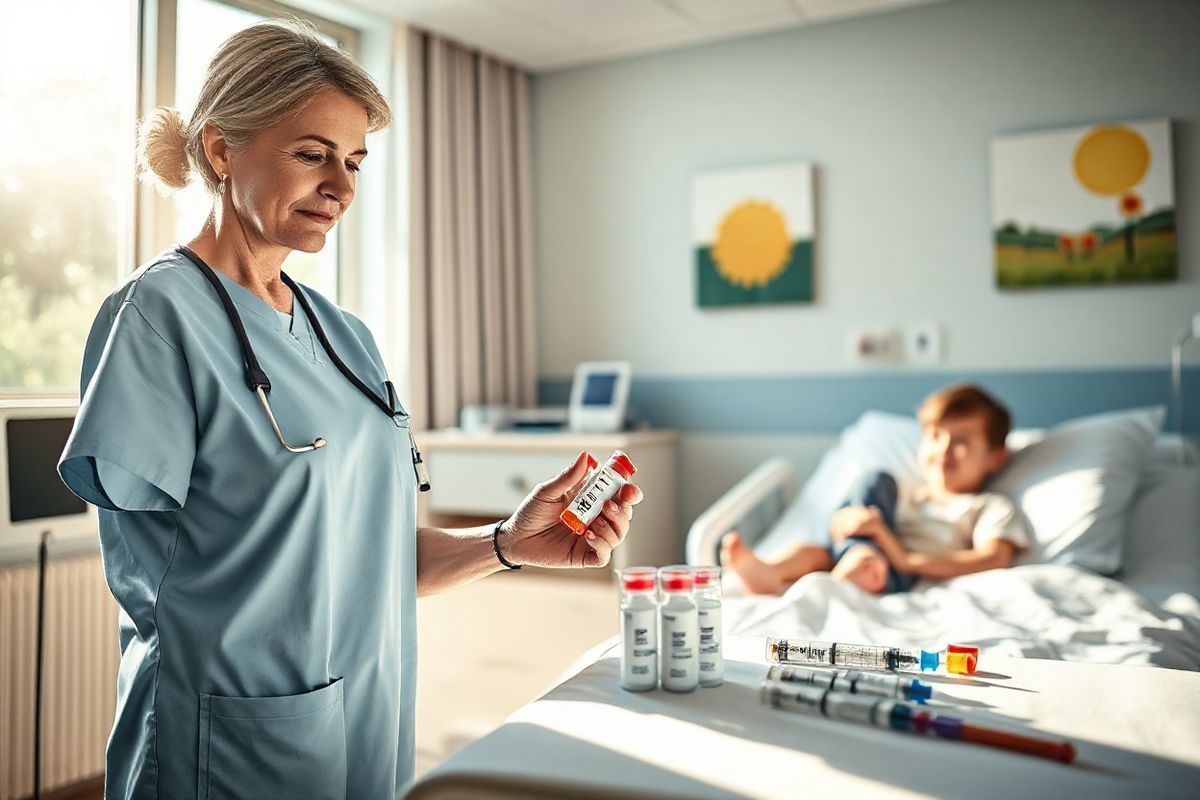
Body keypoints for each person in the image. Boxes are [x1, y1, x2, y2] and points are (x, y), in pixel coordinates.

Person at [56, 21, 641, 799]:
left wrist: (506, 542)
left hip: (369, 723)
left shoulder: (345, 338)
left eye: (354, 161)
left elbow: (364, 564)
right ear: (222, 148)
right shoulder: (156, 317)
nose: (342, 186)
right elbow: (197, 576)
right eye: (312, 154)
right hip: (226, 745)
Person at [721, 384, 1029, 596]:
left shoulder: (988, 506)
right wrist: (844, 523)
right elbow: (846, 525)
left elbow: (992, 559)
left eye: (961, 441)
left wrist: (903, 557)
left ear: (996, 457)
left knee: (871, 505)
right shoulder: (903, 492)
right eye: (935, 436)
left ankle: (859, 565)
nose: (944, 449)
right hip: (852, 555)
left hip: (900, 572)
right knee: (819, 545)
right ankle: (769, 572)